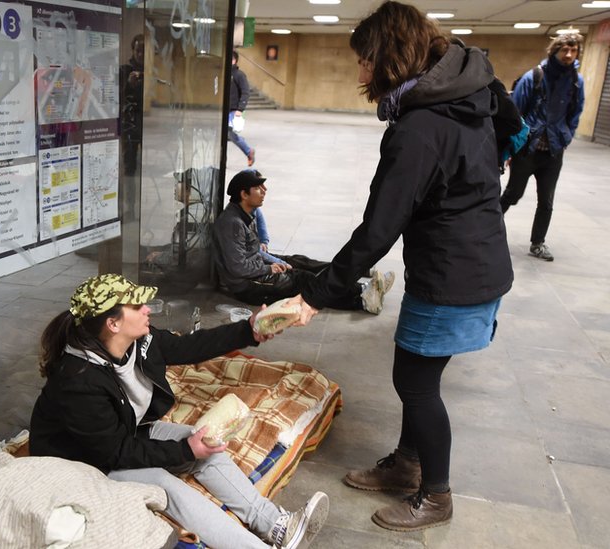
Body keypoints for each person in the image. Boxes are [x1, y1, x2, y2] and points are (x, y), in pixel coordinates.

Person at [288, 1, 514, 532]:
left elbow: (378, 228)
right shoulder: (465, 96)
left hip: (454, 274)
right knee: (420, 373)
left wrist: (318, 293)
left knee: (414, 382)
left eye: (365, 60)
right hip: (472, 262)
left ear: (390, 58)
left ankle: (435, 495)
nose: (360, 72)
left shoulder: (421, 127)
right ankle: (408, 463)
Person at [29, 273, 329, 549]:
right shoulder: (78, 381)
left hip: (128, 431)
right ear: (113, 324)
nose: (147, 308)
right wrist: (185, 451)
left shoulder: (139, 340)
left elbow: (188, 347)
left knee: (204, 440)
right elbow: (113, 453)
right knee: (164, 484)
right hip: (81, 461)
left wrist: (249, 330)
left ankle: (276, 526)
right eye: (137, 306)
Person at [213, 169, 394, 313]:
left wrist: (278, 262)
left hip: (253, 267)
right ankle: (362, 299)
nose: (264, 191)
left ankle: (361, 277)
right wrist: (269, 268)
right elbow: (237, 267)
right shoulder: (232, 223)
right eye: (259, 188)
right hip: (246, 285)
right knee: (302, 279)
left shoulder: (245, 213)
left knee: (300, 261)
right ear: (244, 194)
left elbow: (253, 252)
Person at [500, 33, 586, 262]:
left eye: (573, 50)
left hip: (553, 151)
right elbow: (515, 114)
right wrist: (511, 147)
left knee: (546, 201)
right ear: (554, 51)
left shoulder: (577, 81)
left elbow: (575, 113)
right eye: (564, 50)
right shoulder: (534, 77)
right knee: (513, 193)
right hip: (528, 150)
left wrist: (566, 137)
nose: (568, 55)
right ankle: (484, 231)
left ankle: (538, 243)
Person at [121, 34, 145, 177]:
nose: (141, 54)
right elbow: (116, 97)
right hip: (129, 124)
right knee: (129, 166)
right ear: (133, 51)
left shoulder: (154, 71)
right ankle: (130, 199)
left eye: (143, 50)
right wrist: (129, 85)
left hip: (147, 125)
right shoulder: (125, 71)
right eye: (138, 51)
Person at [229, 51, 255, 166]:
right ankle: (248, 151)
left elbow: (245, 92)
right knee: (226, 136)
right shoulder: (224, 73)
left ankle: (248, 151)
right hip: (223, 110)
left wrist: (240, 109)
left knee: (230, 135)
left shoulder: (239, 75)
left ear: (234, 61)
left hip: (234, 110)